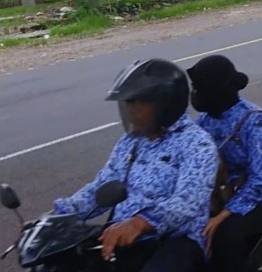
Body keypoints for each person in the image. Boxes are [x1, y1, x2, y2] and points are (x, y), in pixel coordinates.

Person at [52, 58, 218, 272]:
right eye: (127, 103)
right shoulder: (130, 142)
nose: (130, 110)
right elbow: (103, 185)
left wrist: (141, 222)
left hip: (175, 239)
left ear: (165, 103)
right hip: (122, 233)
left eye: (137, 103)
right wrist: (60, 214)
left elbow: (187, 201)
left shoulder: (197, 143)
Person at [188, 55, 262, 272]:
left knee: (224, 238)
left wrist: (222, 216)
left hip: (257, 200)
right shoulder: (204, 121)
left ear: (216, 89)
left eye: (199, 88)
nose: (195, 94)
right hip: (216, 198)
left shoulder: (254, 121)